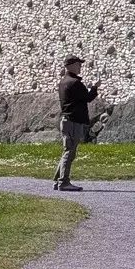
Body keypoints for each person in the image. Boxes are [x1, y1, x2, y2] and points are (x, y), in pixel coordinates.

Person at [54, 56, 101, 192]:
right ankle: (63, 182)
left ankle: (58, 180)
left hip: (67, 120)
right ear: (72, 65)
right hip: (73, 121)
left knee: (67, 151)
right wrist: (94, 87)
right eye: (79, 65)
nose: (80, 67)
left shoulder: (63, 82)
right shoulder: (74, 83)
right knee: (70, 152)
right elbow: (87, 98)